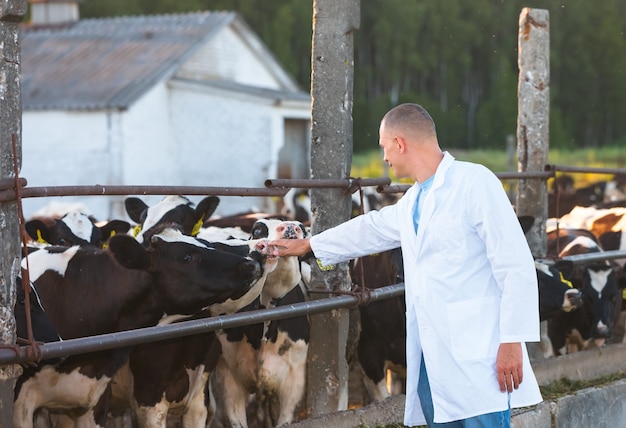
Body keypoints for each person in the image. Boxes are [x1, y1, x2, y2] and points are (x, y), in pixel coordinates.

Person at [267, 103, 543, 427]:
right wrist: (309, 245)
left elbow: (515, 266)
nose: (384, 157)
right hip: (431, 358)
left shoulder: (475, 183)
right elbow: (369, 229)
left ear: (400, 143)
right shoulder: (414, 200)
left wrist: (512, 341)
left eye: (385, 147)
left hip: (477, 354)